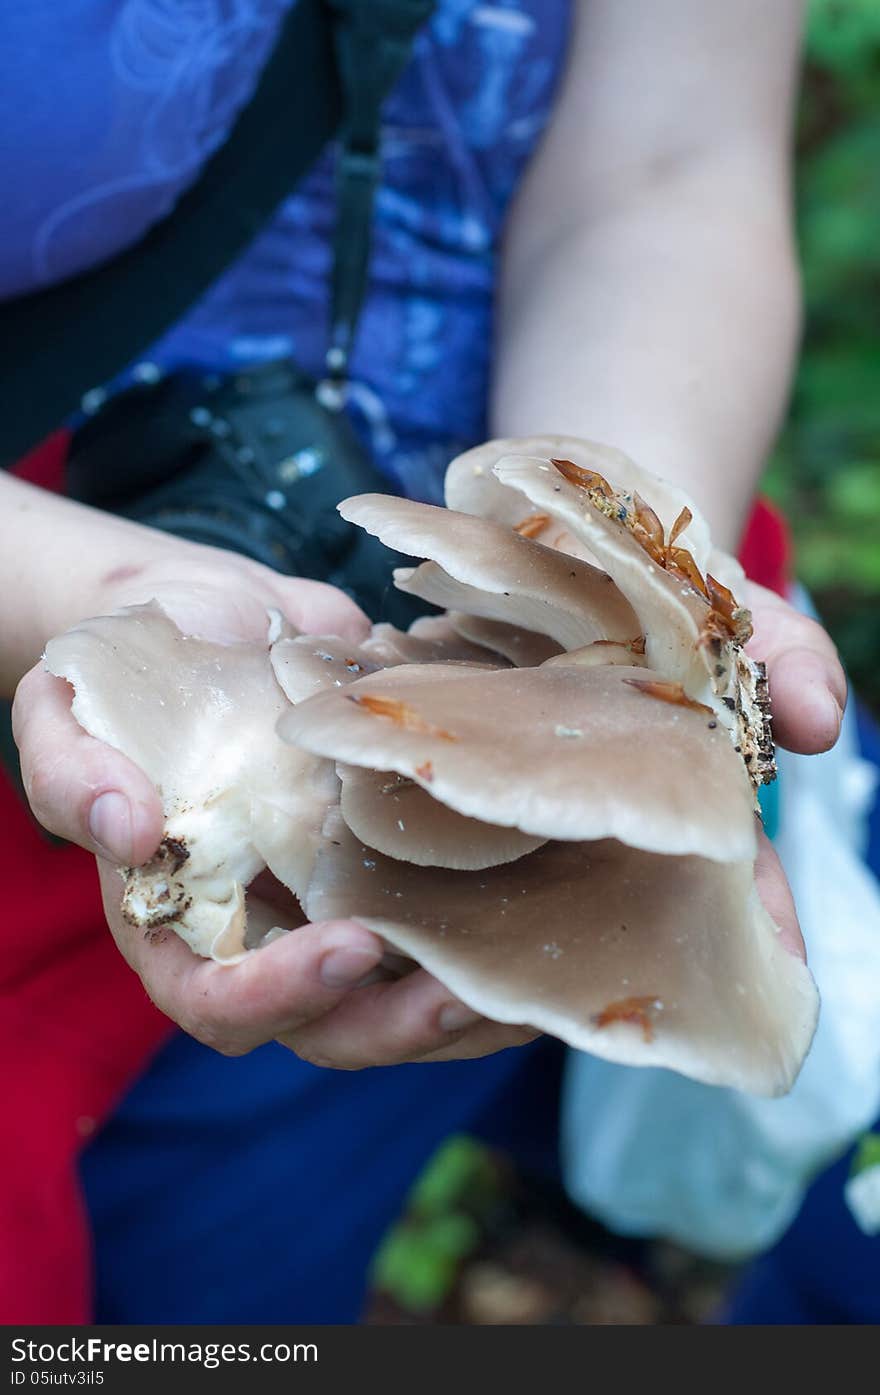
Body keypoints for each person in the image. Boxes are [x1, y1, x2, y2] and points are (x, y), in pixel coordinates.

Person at [1, 0, 847, 1322]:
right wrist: (91, 593)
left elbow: (669, 164)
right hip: (67, 599)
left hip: (464, 645)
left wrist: (622, 597)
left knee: (233, 1266)